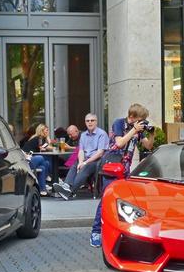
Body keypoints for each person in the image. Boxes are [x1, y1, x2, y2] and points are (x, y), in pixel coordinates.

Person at [89, 104, 155, 247]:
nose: (142, 122)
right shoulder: (119, 123)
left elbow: (148, 146)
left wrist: (152, 134)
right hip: (111, 167)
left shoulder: (138, 129)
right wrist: (134, 130)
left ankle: (120, 232)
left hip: (124, 170)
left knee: (124, 202)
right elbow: (119, 143)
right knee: (106, 200)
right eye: (140, 119)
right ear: (132, 117)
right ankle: (96, 232)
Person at [53, 113, 108, 200]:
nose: (90, 122)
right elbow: (81, 150)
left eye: (92, 120)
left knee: (85, 166)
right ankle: (66, 185)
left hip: (98, 161)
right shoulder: (83, 135)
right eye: (87, 121)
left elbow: (100, 153)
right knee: (76, 163)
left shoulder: (102, 134)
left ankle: (70, 191)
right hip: (86, 159)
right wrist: (81, 161)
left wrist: (85, 162)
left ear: (96, 122)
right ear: (85, 122)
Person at [21, 124, 52, 196]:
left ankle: (42, 189)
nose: (48, 132)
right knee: (41, 158)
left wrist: (47, 138)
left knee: (44, 165)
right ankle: (47, 176)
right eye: (46, 130)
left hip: (31, 158)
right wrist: (48, 137)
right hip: (26, 160)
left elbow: (45, 147)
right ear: (42, 131)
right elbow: (49, 147)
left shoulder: (39, 138)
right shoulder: (39, 138)